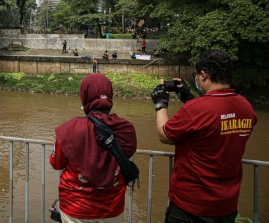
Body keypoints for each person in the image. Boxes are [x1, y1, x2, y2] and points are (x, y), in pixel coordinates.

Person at [150, 50, 257, 222]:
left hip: (191, 206)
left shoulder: (197, 109)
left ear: (204, 75)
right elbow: (214, 131)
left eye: (196, 75)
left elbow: (165, 135)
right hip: (227, 205)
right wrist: (190, 98)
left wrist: (160, 103)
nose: (197, 79)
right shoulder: (246, 107)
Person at [50, 74, 137, 222]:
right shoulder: (126, 129)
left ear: (84, 96)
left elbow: (56, 162)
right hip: (112, 207)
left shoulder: (69, 130)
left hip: (75, 206)